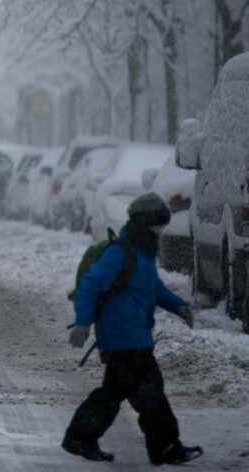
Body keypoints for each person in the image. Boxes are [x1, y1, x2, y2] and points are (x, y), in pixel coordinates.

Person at [63, 193, 203, 465]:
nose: (160, 232)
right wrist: (82, 323)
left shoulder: (142, 255)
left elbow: (154, 288)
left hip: (134, 336)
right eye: (157, 227)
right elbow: (90, 285)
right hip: (121, 338)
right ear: (145, 223)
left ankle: (81, 438)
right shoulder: (120, 253)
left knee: (120, 393)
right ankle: (165, 448)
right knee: (145, 393)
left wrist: (178, 306)